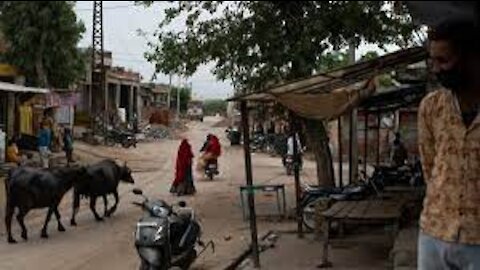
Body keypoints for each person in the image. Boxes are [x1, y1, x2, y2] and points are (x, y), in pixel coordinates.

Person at [417, 19, 480, 270]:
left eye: (444, 61)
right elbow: (429, 167)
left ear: (471, 59)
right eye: (433, 61)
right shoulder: (431, 107)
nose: (436, 69)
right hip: (434, 232)